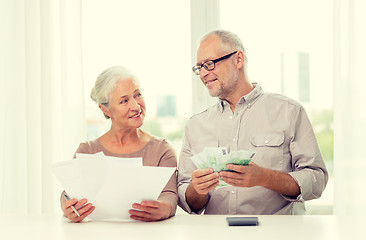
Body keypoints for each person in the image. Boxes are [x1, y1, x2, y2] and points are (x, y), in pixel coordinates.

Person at [177, 30, 328, 215]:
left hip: (276, 233)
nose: (203, 74)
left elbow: (317, 180)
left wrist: (266, 177)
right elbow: (186, 197)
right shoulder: (195, 126)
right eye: (199, 68)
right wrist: (196, 189)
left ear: (238, 60)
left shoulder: (289, 112)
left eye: (209, 64)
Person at [61, 65, 177, 222]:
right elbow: (68, 193)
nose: (136, 106)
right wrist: (67, 207)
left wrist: (166, 208)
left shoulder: (161, 149)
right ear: (105, 110)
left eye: (138, 95)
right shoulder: (87, 150)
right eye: (124, 101)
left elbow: (170, 194)